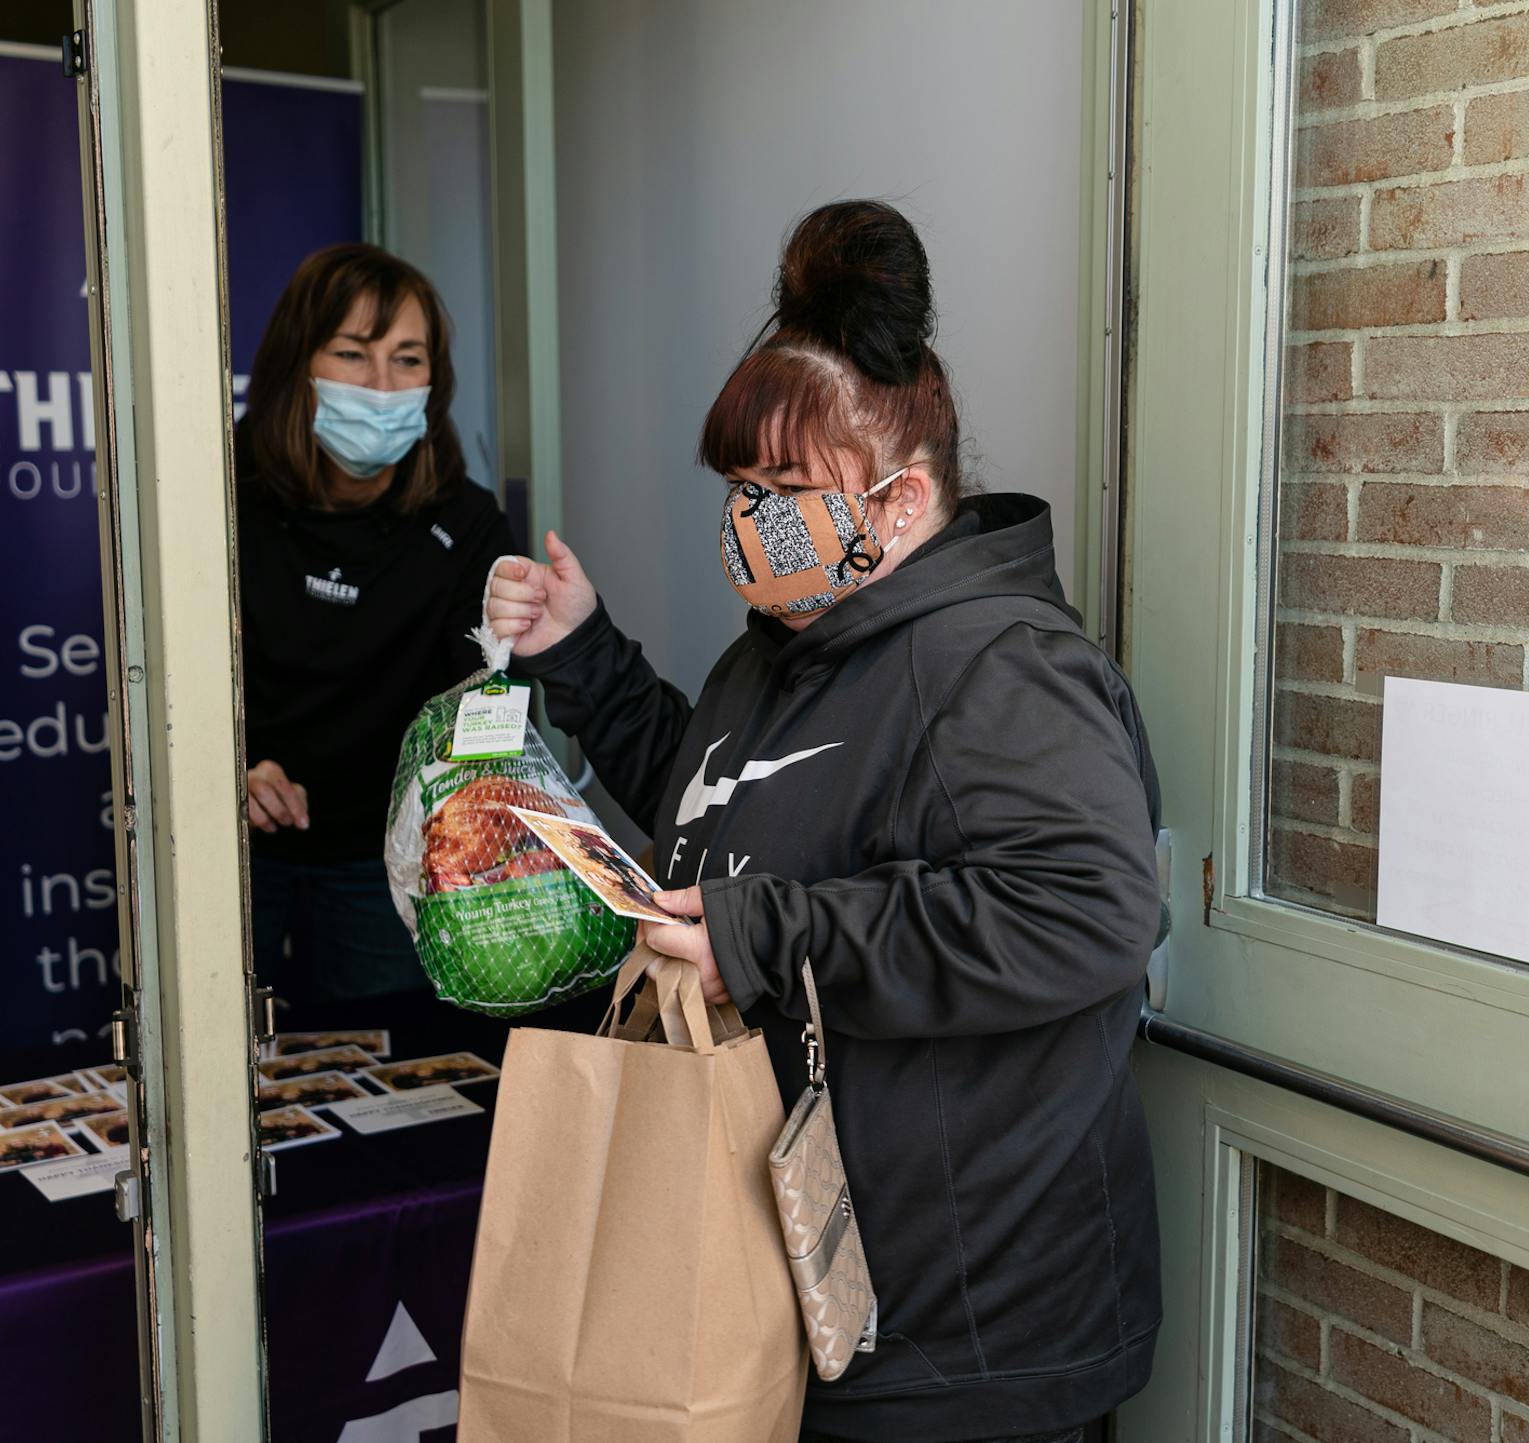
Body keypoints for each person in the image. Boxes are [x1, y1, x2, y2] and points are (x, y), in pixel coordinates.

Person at [487, 201, 1164, 1443]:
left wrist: (768, 937)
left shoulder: (1001, 667)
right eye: (741, 488)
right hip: (817, 1303)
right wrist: (582, 655)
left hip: (963, 1344)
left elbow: (1087, 912)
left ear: (903, 501)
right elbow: (727, 813)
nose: (753, 520)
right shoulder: (783, 644)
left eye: (789, 489)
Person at [238, 243, 515, 1002]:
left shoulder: (468, 522)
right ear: (299, 363)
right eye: (353, 354)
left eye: (407, 359)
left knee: (384, 1057)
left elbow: (482, 711)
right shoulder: (219, 492)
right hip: (226, 845)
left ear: (434, 379)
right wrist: (226, 768)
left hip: (387, 860)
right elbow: (160, 677)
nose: (383, 386)